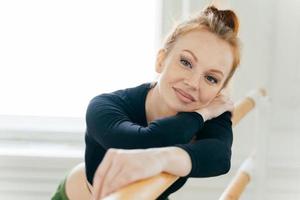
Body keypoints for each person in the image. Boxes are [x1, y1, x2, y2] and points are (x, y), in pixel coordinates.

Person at [51, 5, 241, 200]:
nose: (193, 83)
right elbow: (143, 143)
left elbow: (220, 158)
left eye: (211, 78)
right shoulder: (105, 106)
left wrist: (164, 158)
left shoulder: (213, 107)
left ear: (220, 90)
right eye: (185, 62)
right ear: (161, 60)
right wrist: (200, 116)